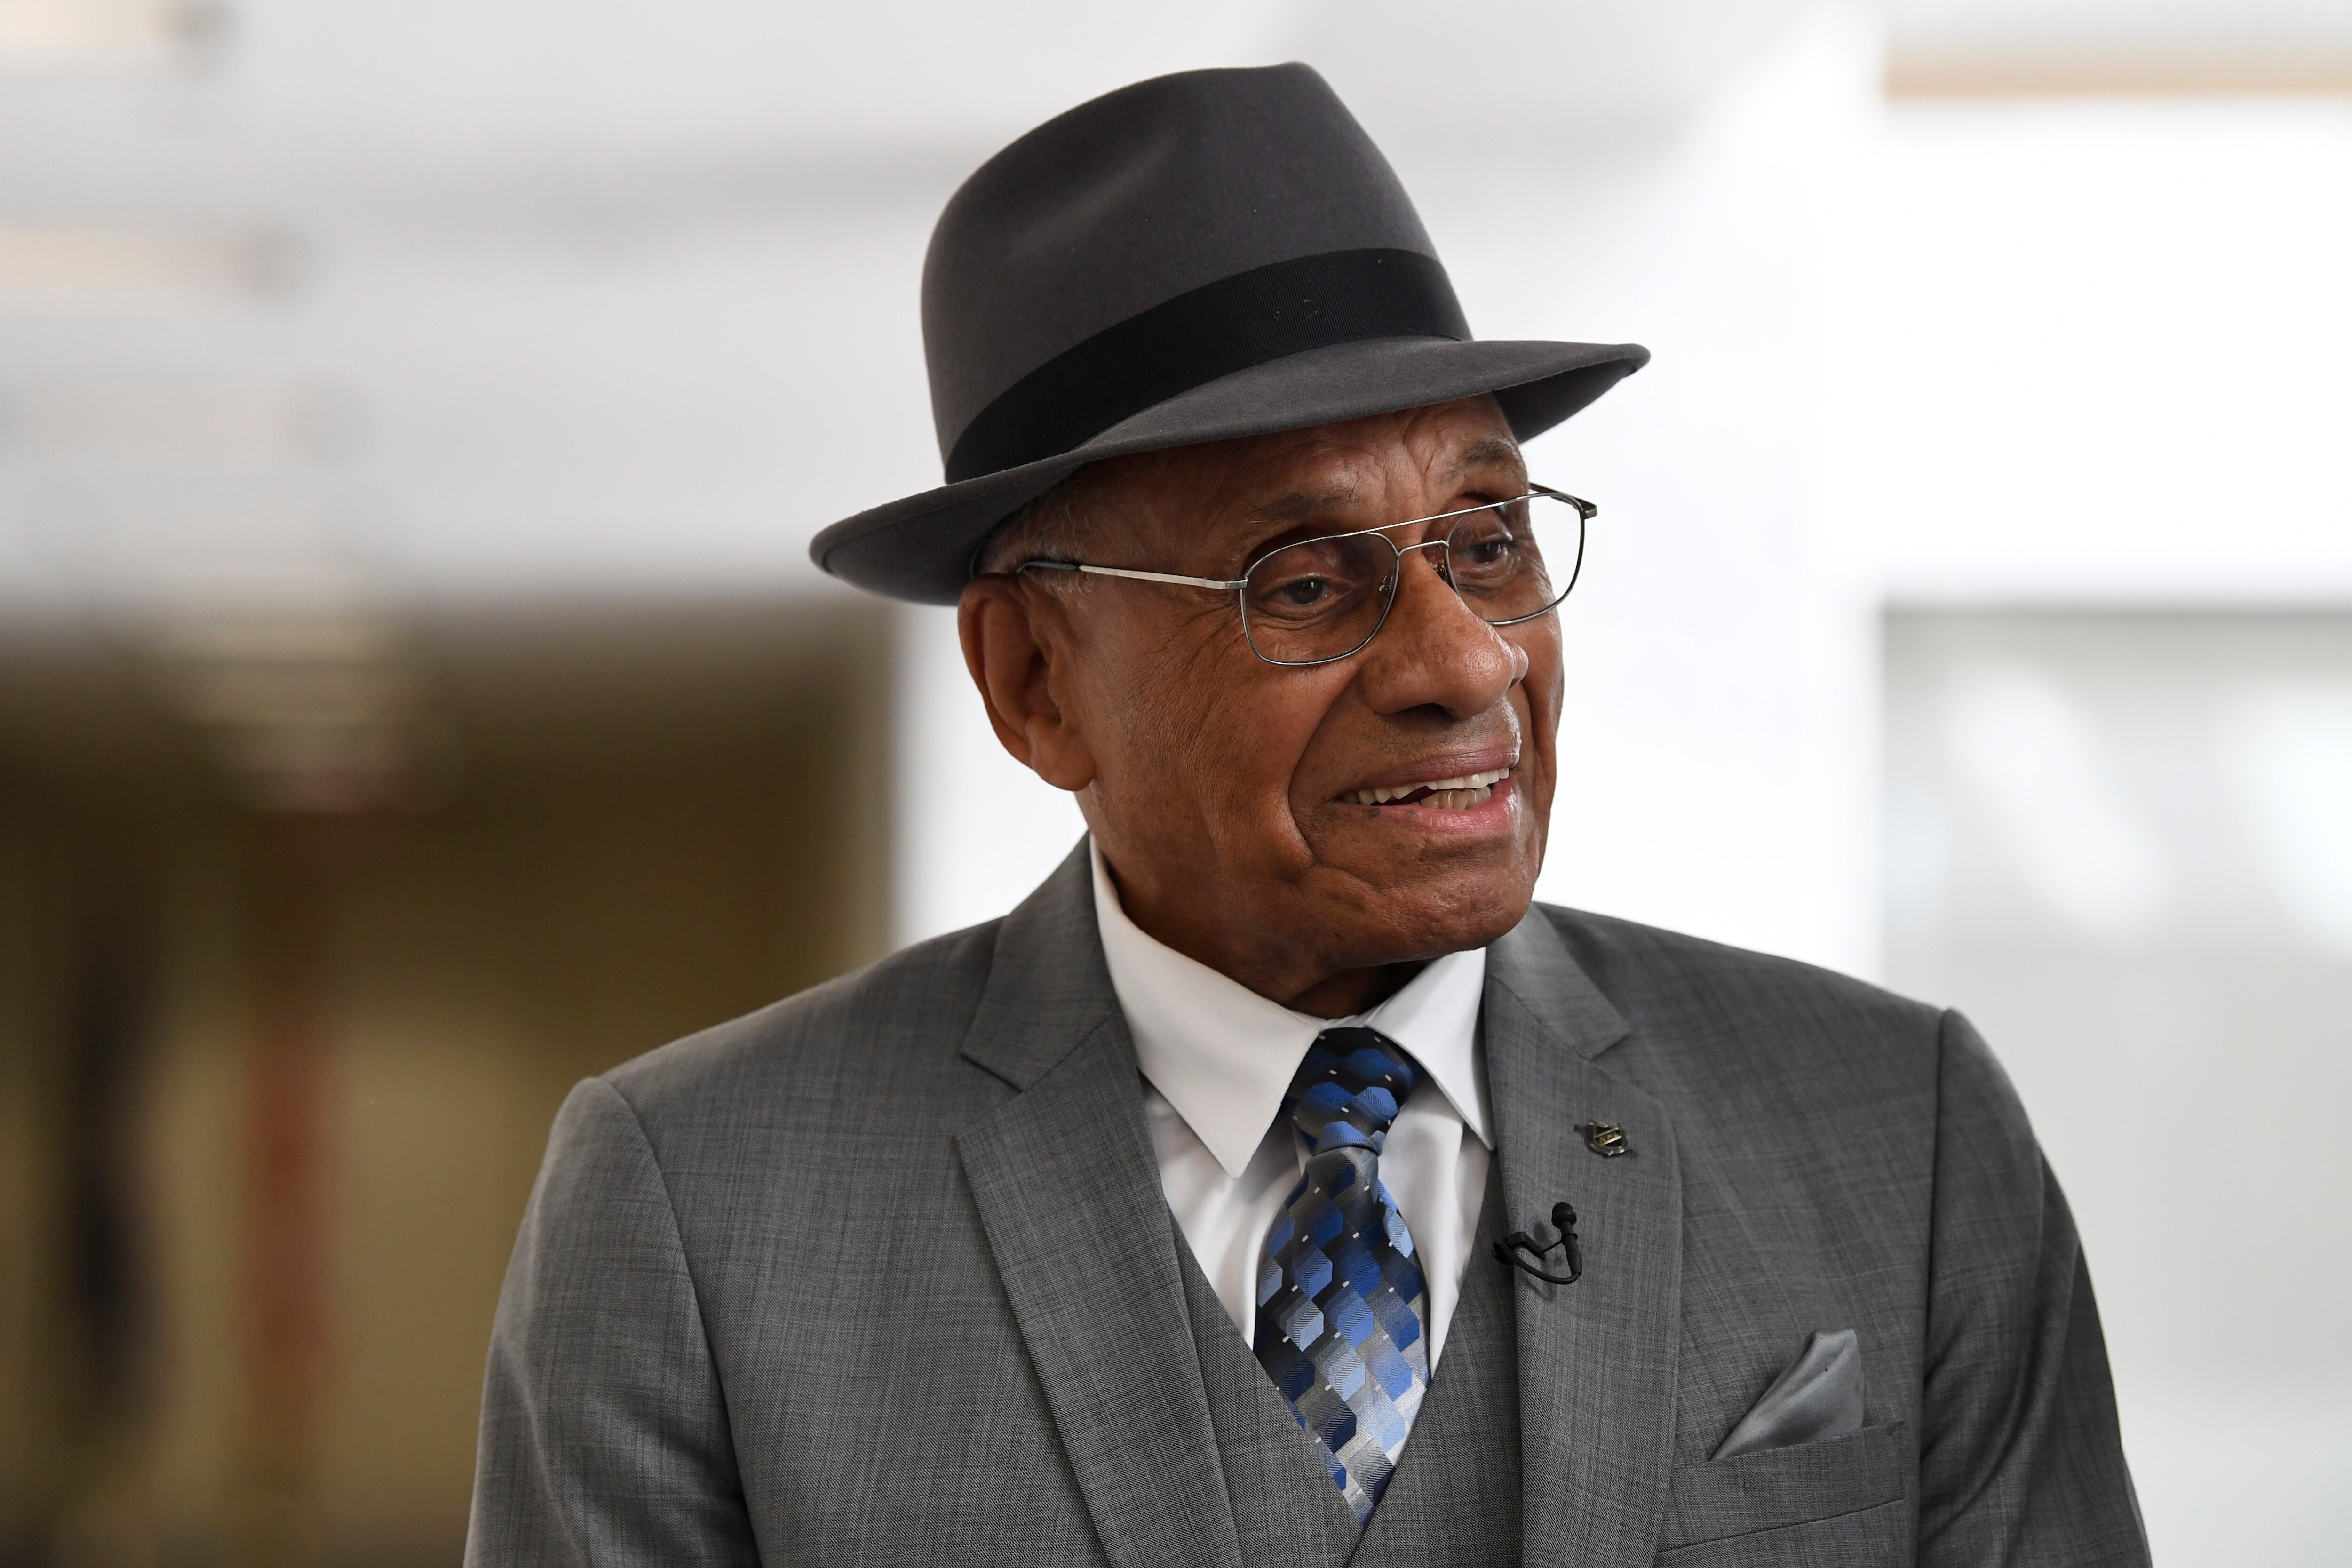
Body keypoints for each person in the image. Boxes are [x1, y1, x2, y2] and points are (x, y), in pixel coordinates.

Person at [466, 64, 2147, 1568]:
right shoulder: (699, 1211)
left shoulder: (1897, 1132)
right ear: (1035, 678)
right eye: (1307, 578)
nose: (1464, 660)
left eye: (1490, 540)